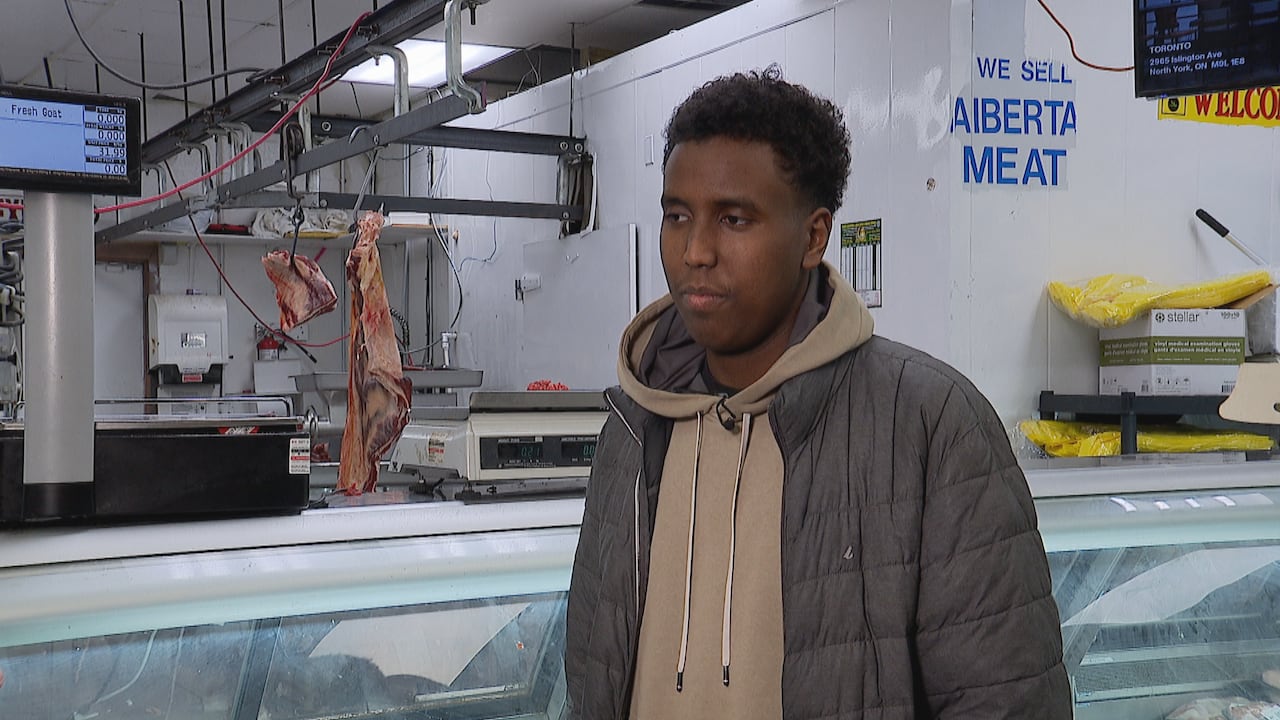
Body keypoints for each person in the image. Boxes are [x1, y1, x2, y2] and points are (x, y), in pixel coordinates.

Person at [564, 67, 1070, 720]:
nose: (695, 250)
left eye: (734, 219)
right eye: (677, 216)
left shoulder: (927, 422)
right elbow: (592, 675)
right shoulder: (632, 425)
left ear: (813, 236)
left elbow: (1006, 701)